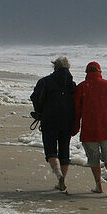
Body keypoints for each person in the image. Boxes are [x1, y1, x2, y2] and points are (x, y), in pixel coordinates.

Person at [72, 61, 107, 196]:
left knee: (93, 158)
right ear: (100, 72)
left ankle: (98, 185)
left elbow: (76, 111)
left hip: (90, 129)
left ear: (87, 73)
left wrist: (74, 129)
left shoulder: (82, 87)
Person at [31, 56, 77, 193]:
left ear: (54, 67)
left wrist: (39, 112)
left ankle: (59, 176)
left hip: (49, 119)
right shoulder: (72, 84)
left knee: (51, 150)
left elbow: (35, 98)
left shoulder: (45, 82)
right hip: (68, 120)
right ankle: (62, 179)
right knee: (64, 150)